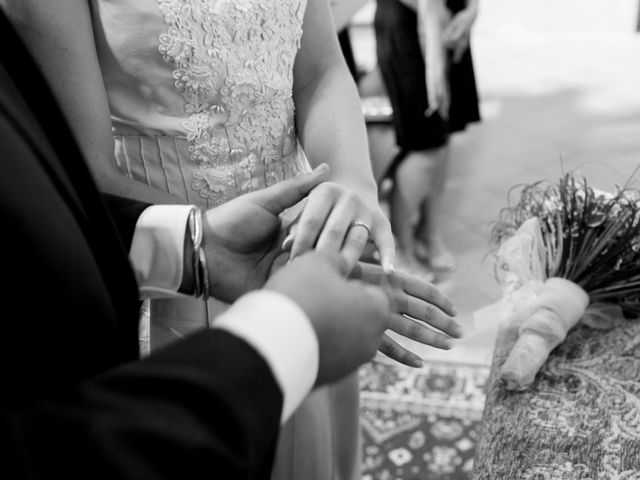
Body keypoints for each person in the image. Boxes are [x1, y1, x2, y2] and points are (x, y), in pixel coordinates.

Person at [0, 8, 462, 478]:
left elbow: (320, 67)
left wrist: (350, 183)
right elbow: (80, 174)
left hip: (295, 249)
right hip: (165, 274)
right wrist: (197, 243)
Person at [375, 0, 481, 278]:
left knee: (443, 140)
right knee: (424, 145)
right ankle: (400, 249)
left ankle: (428, 233)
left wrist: (472, 10)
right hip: (411, 29)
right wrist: (439, 15)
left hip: (450, 24)